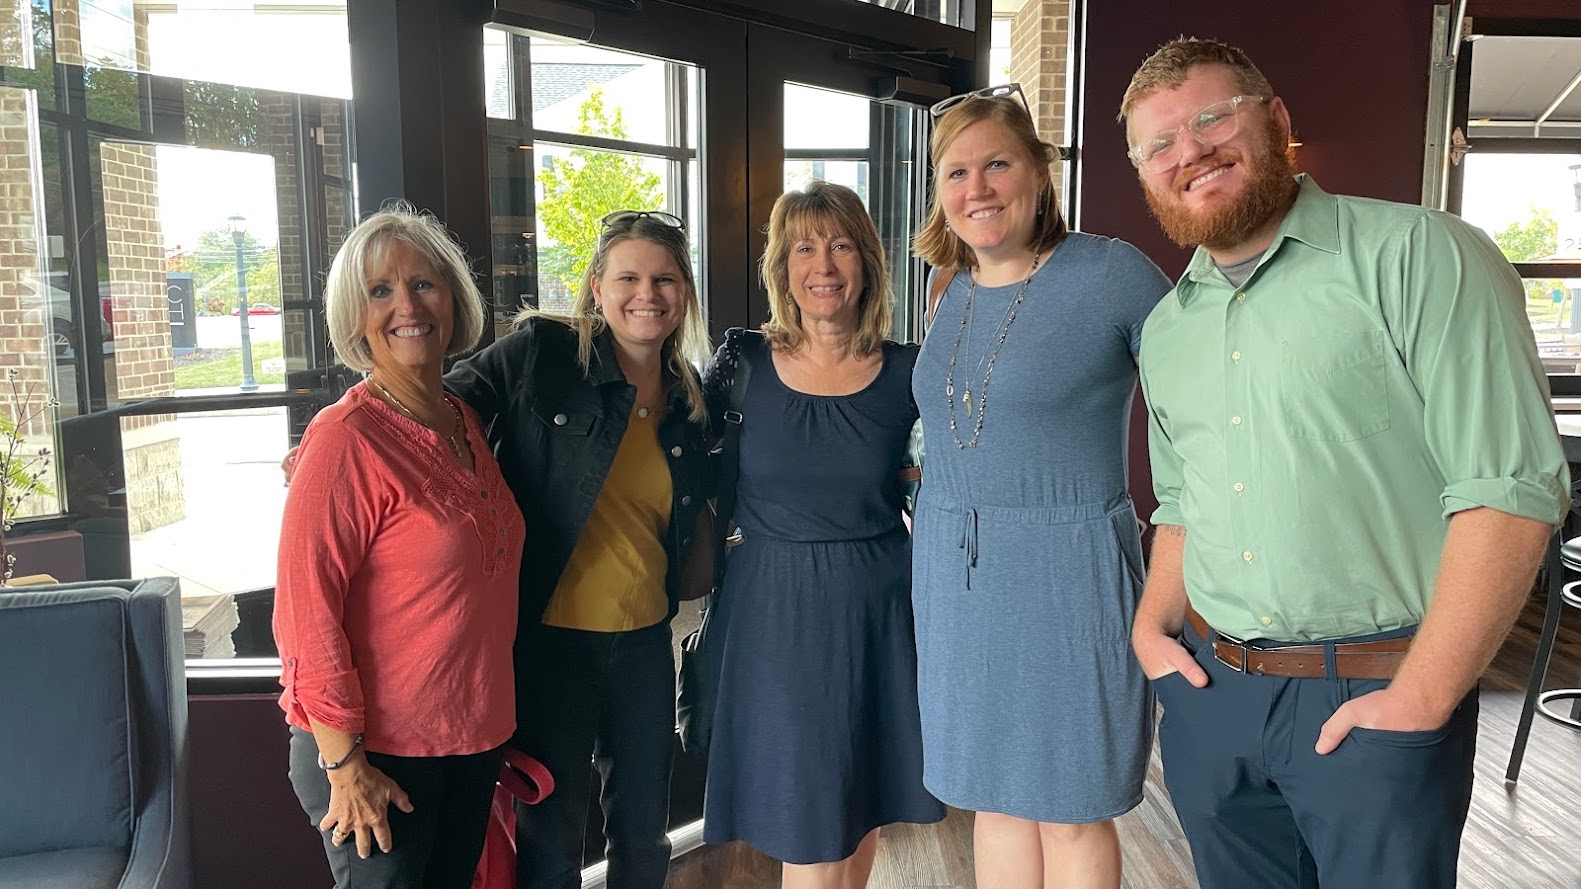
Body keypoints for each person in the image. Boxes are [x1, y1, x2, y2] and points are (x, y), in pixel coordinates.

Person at [1122, 37, 1570, 889]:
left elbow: (1508, 492)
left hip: (1377, 687)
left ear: (1276, 120)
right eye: (1159, 144)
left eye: (1211, 117)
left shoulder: (1421, 255)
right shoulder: (1168, 326)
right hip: (1210, 694)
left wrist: (1424, 695)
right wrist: (1150, 629)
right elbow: (1180, 503)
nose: (1190, 152)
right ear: (1145, 174)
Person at [908, 86, 1172, 888]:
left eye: (996, 163)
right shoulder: (946, 287)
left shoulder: (1111, 274)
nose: (976, 188)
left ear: (1039, 172)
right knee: (992, 800)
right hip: (955, 578)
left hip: (1068, 572)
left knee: (1069, 807)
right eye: (956, 172)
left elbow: (1202, 414)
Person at [444, 210, 713, 889]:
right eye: (627, 276)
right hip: (550, 645)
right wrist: (344, 439)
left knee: (642, 835)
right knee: (553, 838)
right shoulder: (542, 354)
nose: (645, 293)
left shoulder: (687, 399)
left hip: (644, 644)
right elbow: (434, 410)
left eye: (663, 278)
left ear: (684, 293)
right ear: (597, 286)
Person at [698, 180, 945, 888]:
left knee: (858, 801)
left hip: (877, 605)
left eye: (840, 245)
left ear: (866, 261)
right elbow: (673, 453)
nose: (824, 265)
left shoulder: (907, 370)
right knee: (808, 814)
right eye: (804, 247)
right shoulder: (740, 365)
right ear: (781, 267)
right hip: (774, 610)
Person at [274, 203, 525, 889]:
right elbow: (304, 614)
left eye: (424, 284)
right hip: (375, 754)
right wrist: (343, 764)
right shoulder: (344, 438)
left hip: (467, 737)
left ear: (453, 298)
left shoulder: (462, 419)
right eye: (380, 290)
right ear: (356, 316)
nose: (406, 305)